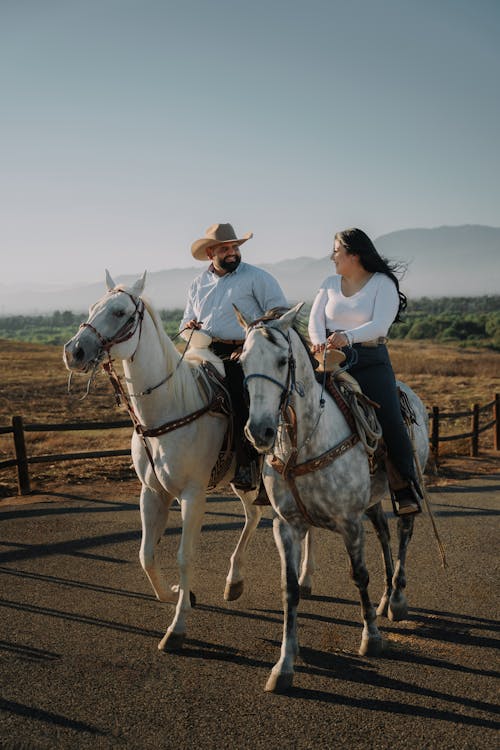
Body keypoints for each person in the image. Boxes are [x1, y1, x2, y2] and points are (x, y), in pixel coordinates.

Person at [308, 227, 421, 514]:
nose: (332, 256)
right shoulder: (330, 282)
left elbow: (380, 325)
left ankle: (404, 486)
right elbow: (315, 320)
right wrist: (320, 343)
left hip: (369, 358)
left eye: (336, 250)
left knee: (390, 416)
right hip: (328, 358)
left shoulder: (382, 283)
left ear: (353, 255)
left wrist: (346, 337)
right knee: (292, 399)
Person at [180, 222, 289, 491]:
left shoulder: (257, 277)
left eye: (235, 248)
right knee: (176, 390)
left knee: (239, 397)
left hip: (245, 351)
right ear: (210, 253)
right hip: (204, 350)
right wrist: (189, 327)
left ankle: (248, 465)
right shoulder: (197, 284)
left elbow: (278, 315)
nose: (232, 253)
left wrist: (251, 346)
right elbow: (185, 321)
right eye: (225, 249)